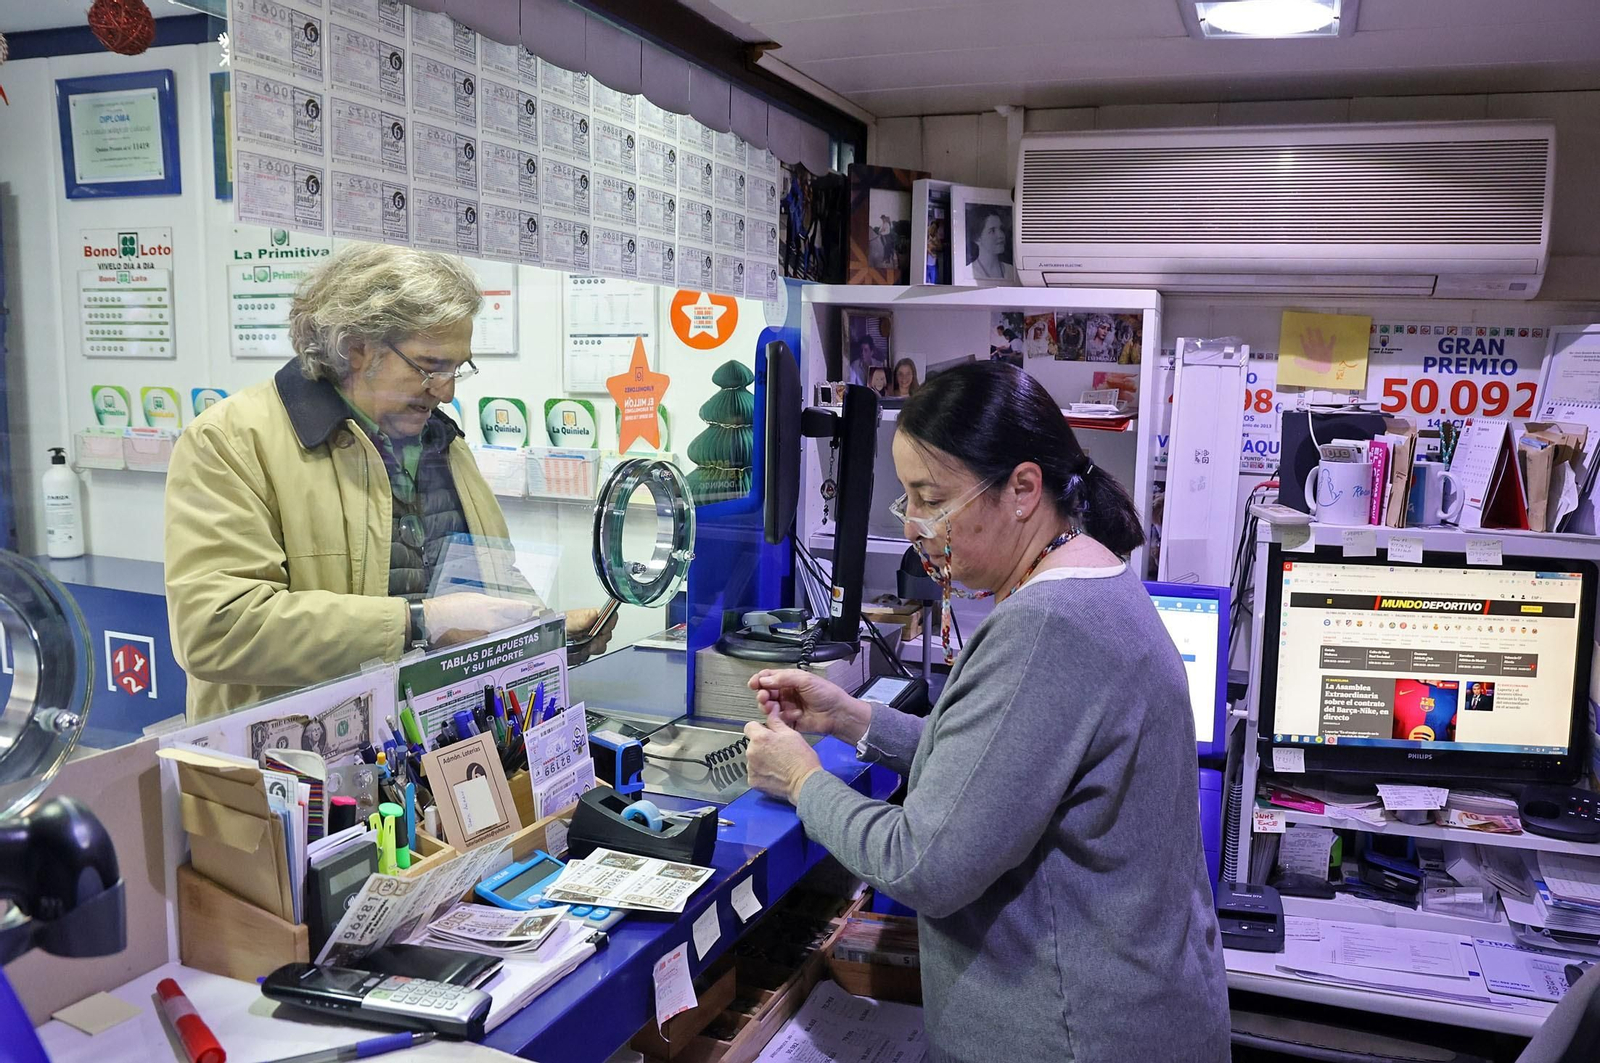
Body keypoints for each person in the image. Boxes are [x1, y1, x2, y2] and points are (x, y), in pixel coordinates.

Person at [741, 362, 1229, 1063]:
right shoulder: (1096, 578)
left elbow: (922, 863)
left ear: (1023, 489)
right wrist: (852, 718)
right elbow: (1003, 763)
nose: (913, 524)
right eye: (904, 496)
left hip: (1076, 1037)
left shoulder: (1049, 626)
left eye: (929, 497)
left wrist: (801, 781)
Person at [165, 243, 616, 720]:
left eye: (457, 367)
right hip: (297, 766)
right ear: (356, 347)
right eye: (430, 366)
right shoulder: (233, 441)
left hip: (432, 749)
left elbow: (483, 584)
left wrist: (539, 634)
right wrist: (420, 622)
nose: (446, 391)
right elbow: (217, 629)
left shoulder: (442, 441)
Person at [966, 207, 1017, 282]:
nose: (1001, 235)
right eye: (992, 231)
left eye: (1001, 229)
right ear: (977, 238)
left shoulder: (1011, 271)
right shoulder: (968, 273)